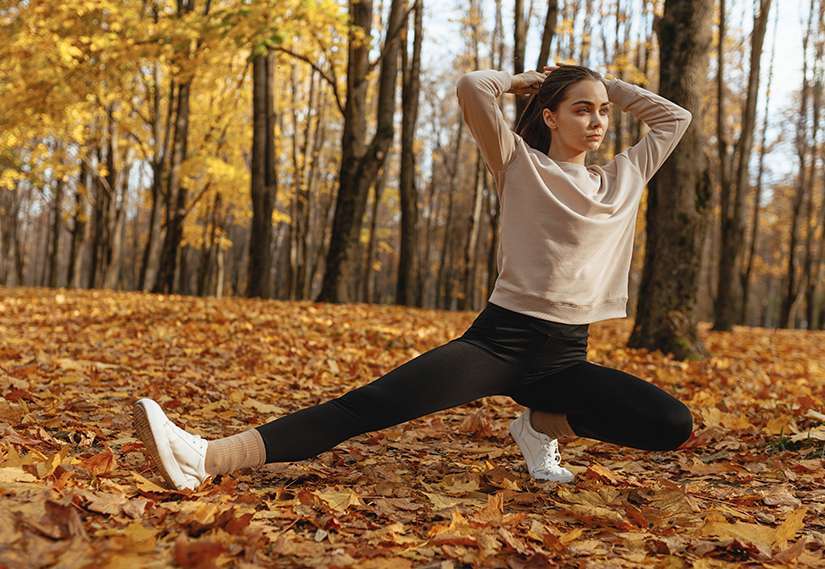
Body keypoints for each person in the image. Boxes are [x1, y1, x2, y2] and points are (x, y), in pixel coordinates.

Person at [133, 62, 695, 492]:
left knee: (668, 424)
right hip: (501, 342)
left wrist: (607, 85)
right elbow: (476, 86)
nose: (597, 121)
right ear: (550, 116)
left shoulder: (625, 176)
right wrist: (529, 80)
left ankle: (540, 425)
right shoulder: (521, 164)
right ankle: (204, 457)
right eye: (580, 108)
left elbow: (676, 117)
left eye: (602, 112)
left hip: (566, 357)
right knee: (365, 408)